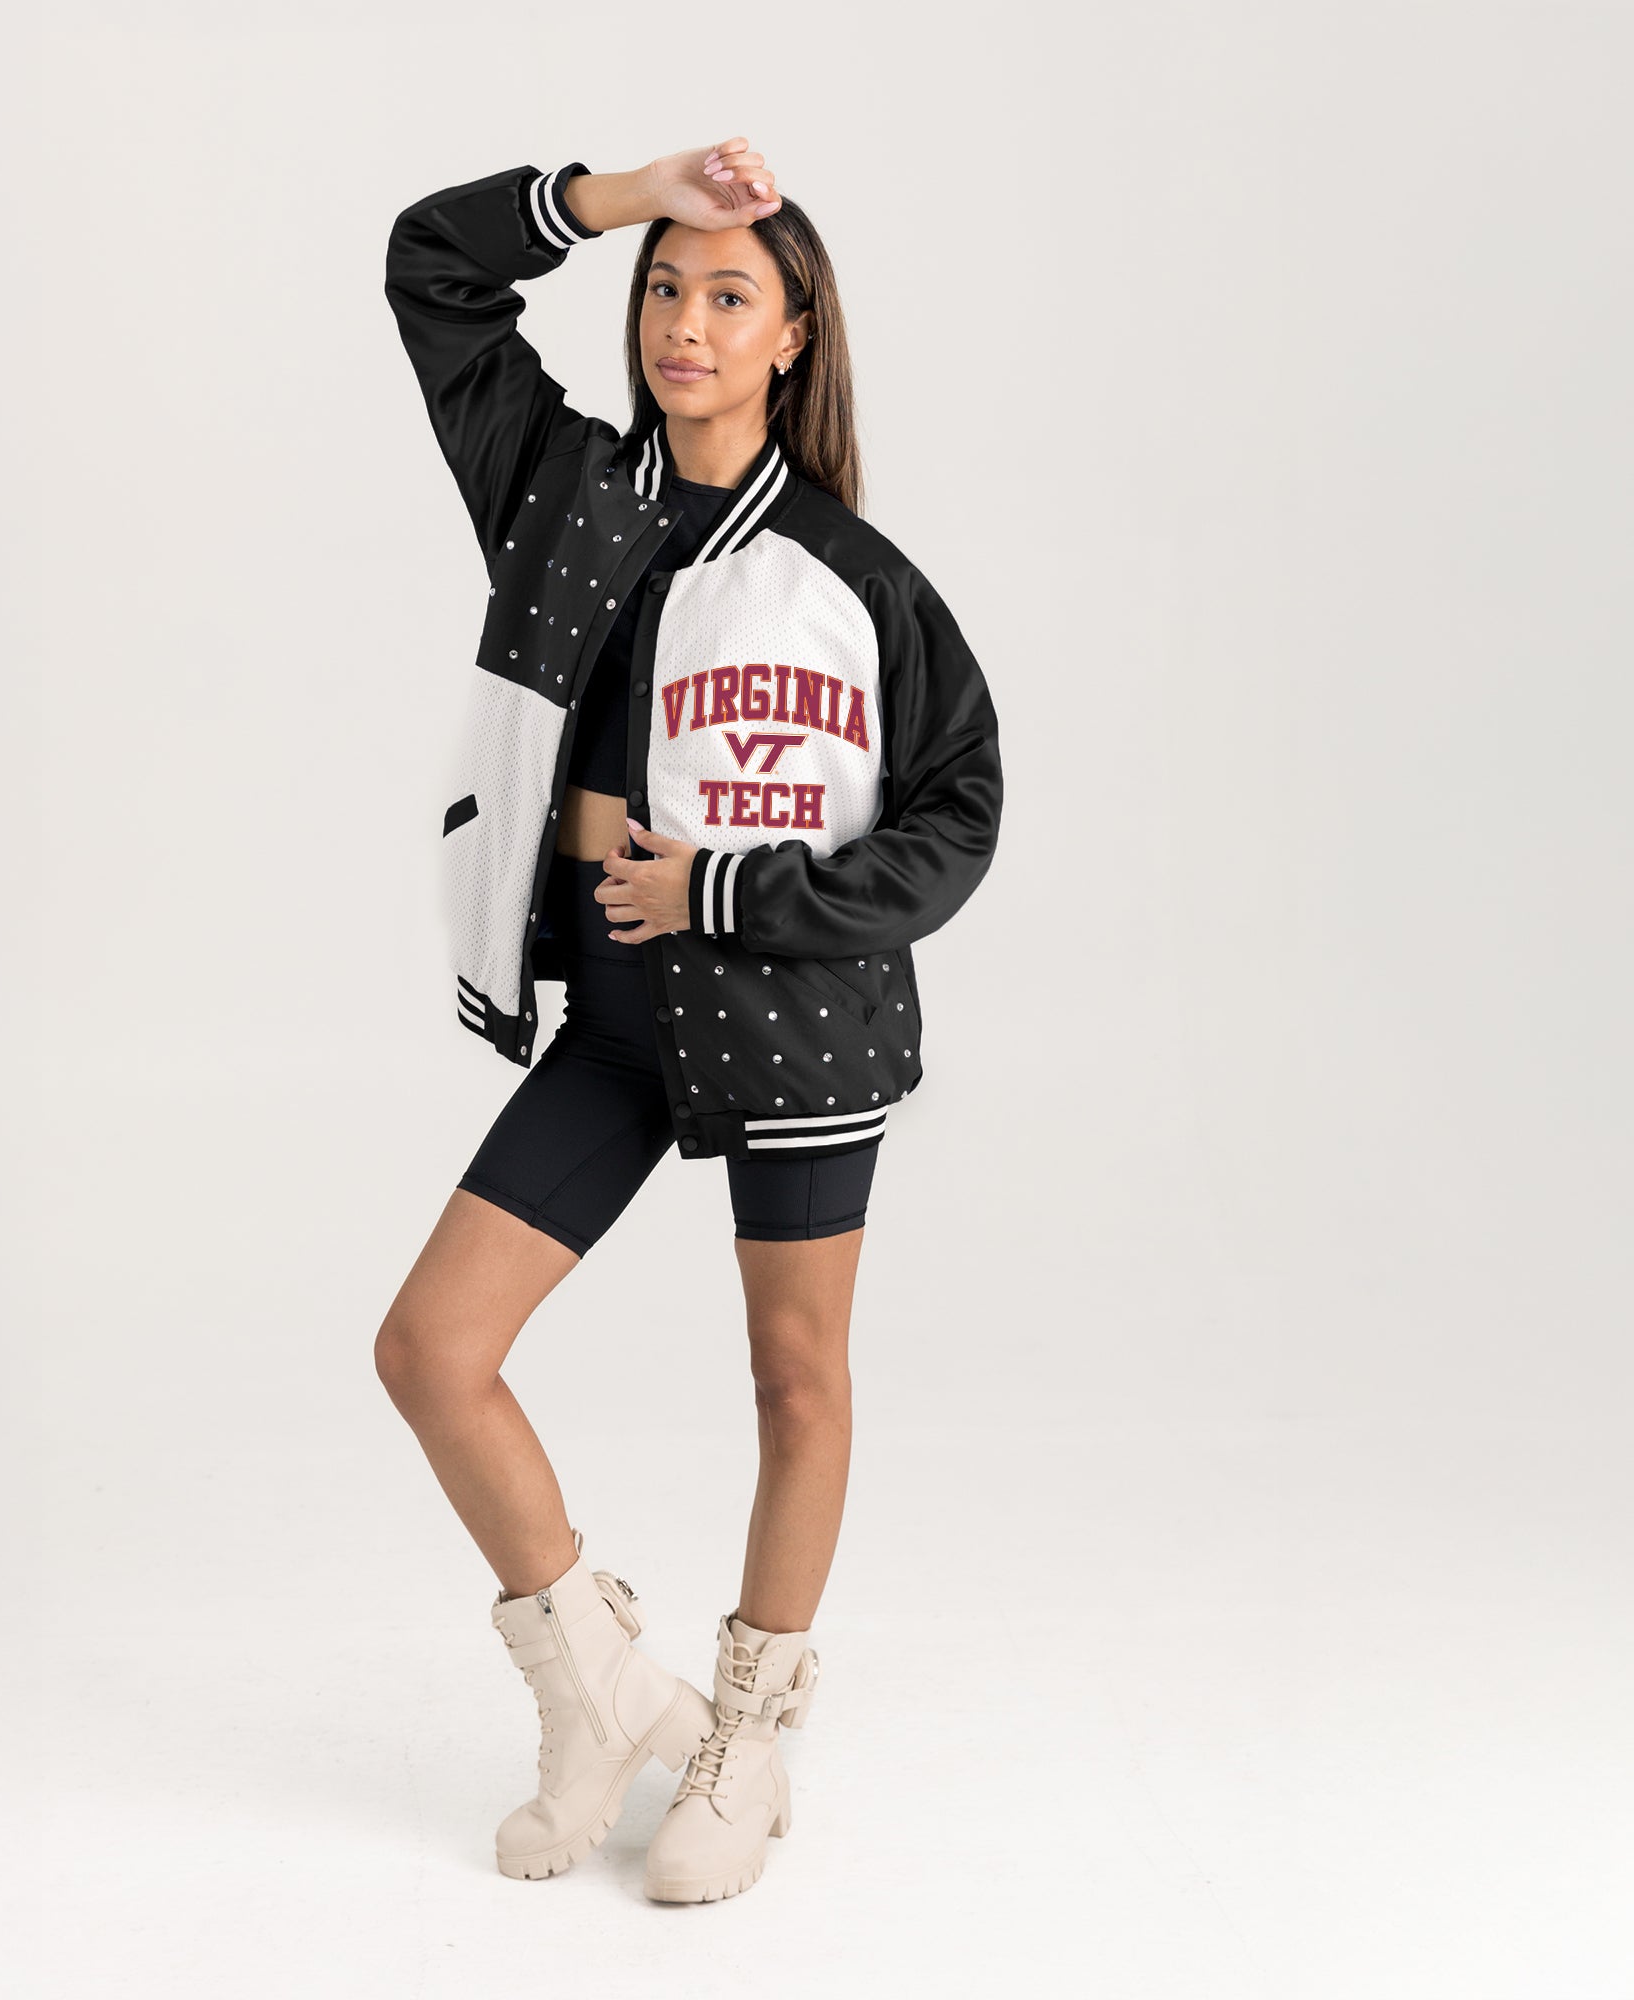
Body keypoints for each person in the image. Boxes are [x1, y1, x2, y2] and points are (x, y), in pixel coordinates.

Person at [376, 137, 1002, 1902]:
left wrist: (730, 892)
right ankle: (596, 1692)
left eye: (731, 295)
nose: (687, 322)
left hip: (796, 1019)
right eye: (666, 287)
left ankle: (746, 1734)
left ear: (794, 336)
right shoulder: (559, 486)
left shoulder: (853, 577)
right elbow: (432, 266)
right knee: (431, 1351)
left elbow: (958, 816)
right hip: (617, 1013)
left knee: (796, 1380)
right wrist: (627, 188)